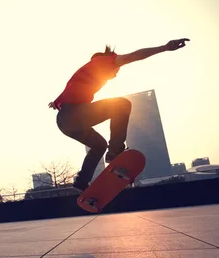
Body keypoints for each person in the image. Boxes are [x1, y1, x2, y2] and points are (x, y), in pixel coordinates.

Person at [48, 38, 190, 192]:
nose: (115, 75)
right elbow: (133, 56)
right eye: (116, 71)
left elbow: (61, 99)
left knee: (99, 145)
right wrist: (164, 47)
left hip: (65, 122)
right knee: (122, 105)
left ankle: (81, 181)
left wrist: (55, 103)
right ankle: (115, 151)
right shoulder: (104, 62)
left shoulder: (87, 72)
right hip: (73, 115)